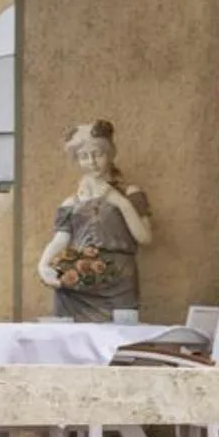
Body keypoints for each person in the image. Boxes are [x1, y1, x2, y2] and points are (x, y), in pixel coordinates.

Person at [38, 120, 153, 321]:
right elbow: (60, 240)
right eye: (84, 156)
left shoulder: (129, 193)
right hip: (79, 283)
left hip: (119, 280)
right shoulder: (72, 202)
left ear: (109, 154)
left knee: (117, 339)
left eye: (97, 154)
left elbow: (144, 237)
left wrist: (118, 201)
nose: (91, 161)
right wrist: (43, 265)